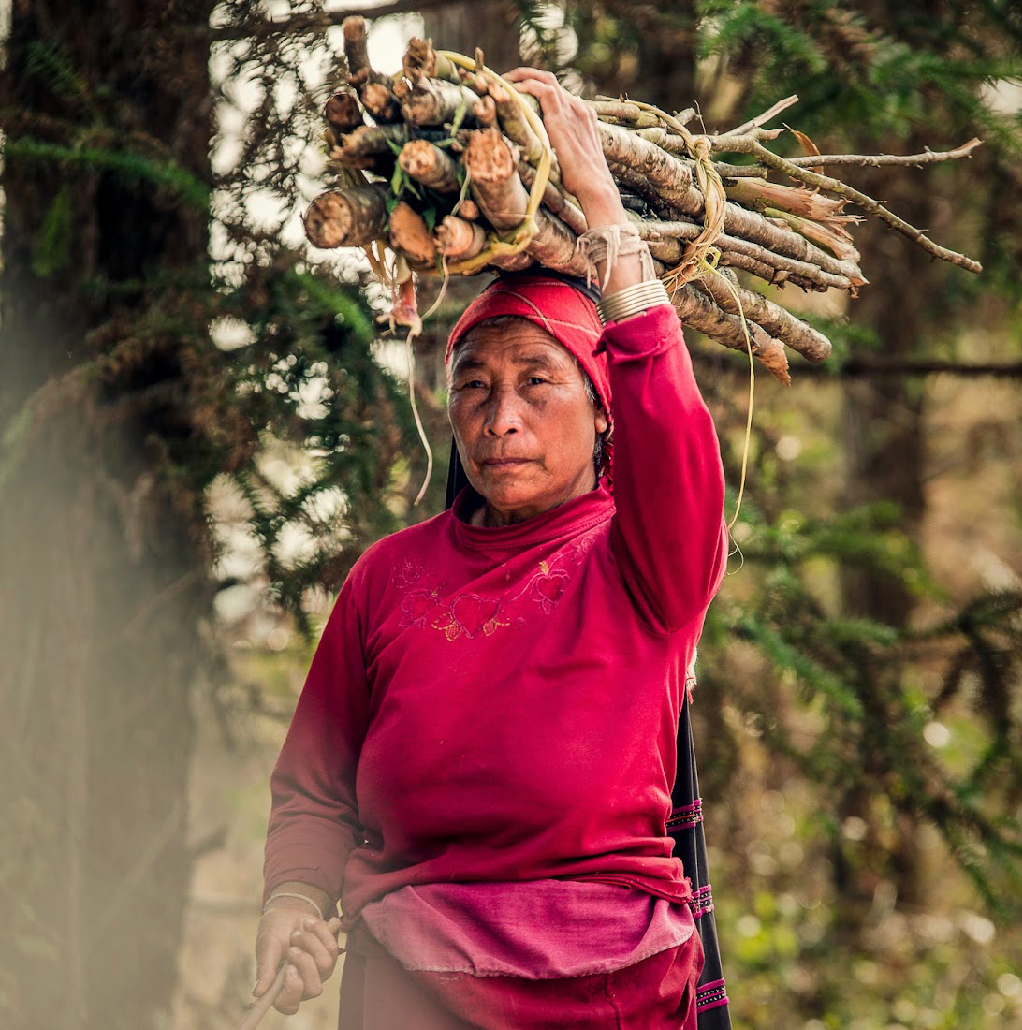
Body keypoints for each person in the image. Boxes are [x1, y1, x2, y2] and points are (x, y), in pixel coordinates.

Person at [253, 68, 728, 1030]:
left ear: (604, 412)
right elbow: (314, 789)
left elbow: (672, 430)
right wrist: (295, 901)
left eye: (538, 382)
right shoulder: (388, 579)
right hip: (406, 982)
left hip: (613, 988)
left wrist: (601, 204)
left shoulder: (642, 558)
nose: (502, 416)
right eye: (474, 386)